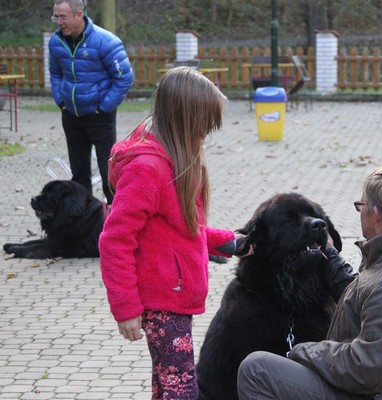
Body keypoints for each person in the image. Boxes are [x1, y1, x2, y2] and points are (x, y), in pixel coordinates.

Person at [237, 165, 382, 400]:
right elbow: (367, 298)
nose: (360, 212)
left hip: (372, 393)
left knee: (256, 370)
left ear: (376, 213)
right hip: (378, 390)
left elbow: (365, 369)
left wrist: (305, 350)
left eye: (361, 206)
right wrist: (329, 255)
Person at [99, 67, 241, 399]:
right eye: (204, 126)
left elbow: (184, 232)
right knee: (182, 390)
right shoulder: (147, 170)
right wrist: (126, 307)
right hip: (162, 303)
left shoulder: (175, 163)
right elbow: (114, 240)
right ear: (186, 121)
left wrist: (231, 242)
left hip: (175, 299)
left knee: (167, 386)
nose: (205, 134)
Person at [48, 0, 134, 205]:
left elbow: (124, 78)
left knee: (108, 173)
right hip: (71, 115)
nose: (58, 22)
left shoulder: (106, 41)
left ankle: (114, 216)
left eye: (63, 17)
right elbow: (55, 73)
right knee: (79, 174)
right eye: (55, 17)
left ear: (79, 14)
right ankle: (83, 218)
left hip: (99, 117)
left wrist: (103, 108)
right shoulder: (55, 42)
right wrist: (61, 101)